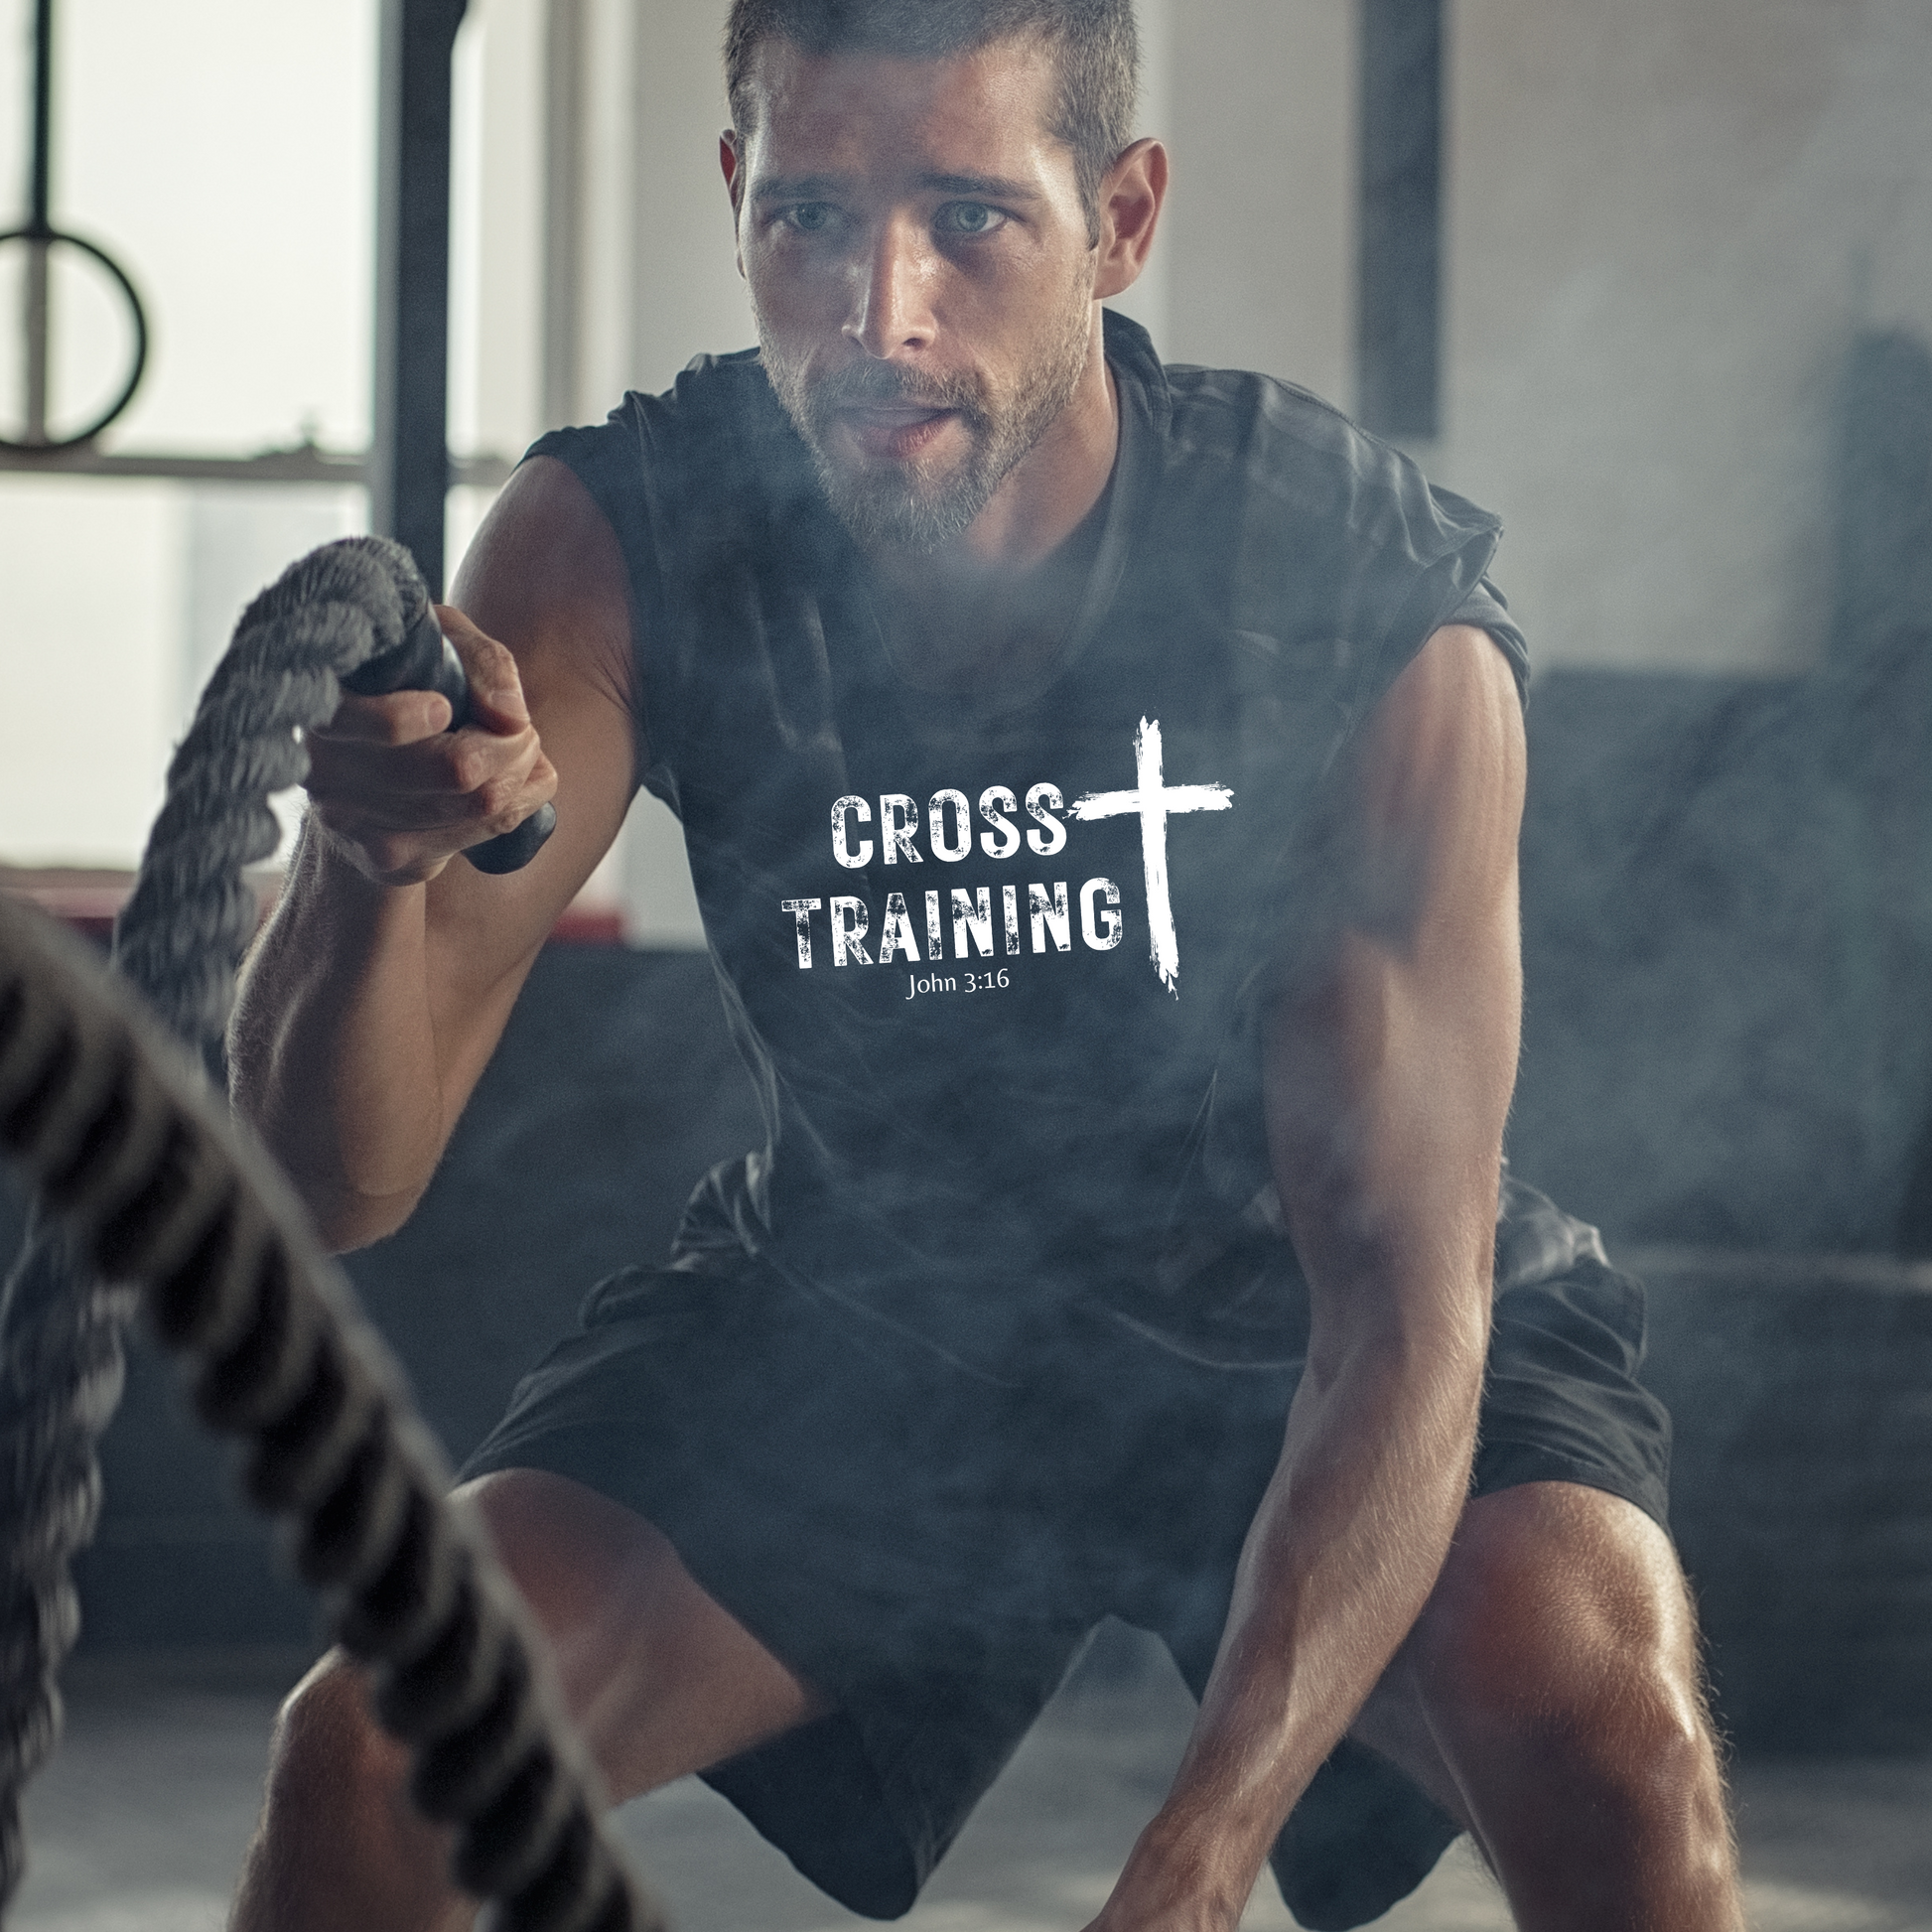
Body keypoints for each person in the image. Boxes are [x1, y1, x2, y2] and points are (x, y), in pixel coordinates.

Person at [225, 3, 1744, 1927]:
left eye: (969, 217)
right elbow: (334, 1189)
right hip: (881, 1309)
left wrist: (1195, 1861)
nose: (881, 315)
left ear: (1118, 220)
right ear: (734, 196)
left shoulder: (1349, 591)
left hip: (1295, 1318)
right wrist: (367, 870)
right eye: (809, 218)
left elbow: (1394, 1304)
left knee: (1611, 1738)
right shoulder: (627, 532)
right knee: (373, 1752)